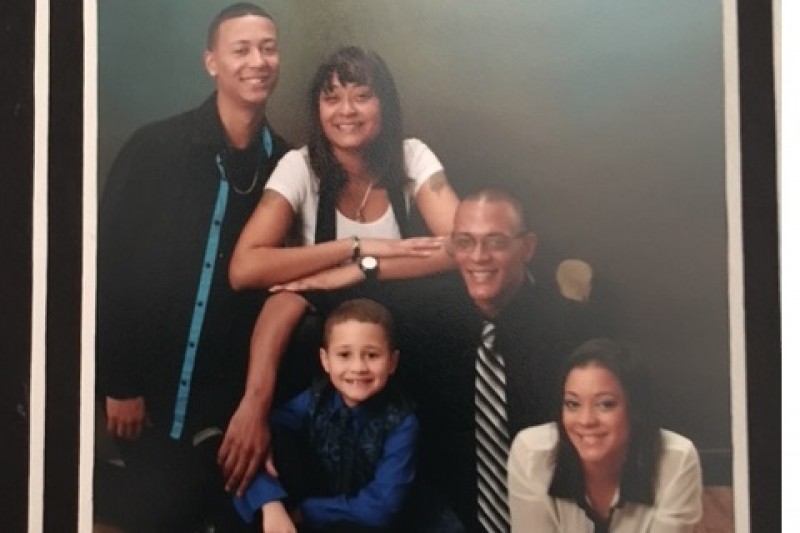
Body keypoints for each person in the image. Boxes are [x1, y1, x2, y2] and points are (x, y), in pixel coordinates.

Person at [219, 45, 460, 497]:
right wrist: (353, 247)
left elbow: (466, 246)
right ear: (317, 109)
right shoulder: (300, 167)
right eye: (331, 98)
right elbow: (245, 268)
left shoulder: (411, 157)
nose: (346, 110)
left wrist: (364, 270)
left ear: (384, 104)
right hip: (322, 366)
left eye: (362, 96)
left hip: (405, 356)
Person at [95, 4, 289, 531]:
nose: (258, 61)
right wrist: (118, 382)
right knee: (163, 513)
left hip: (223, 409)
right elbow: (107, 265)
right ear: (211, 62)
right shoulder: (154, 148)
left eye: (268, 48)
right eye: (241, 49)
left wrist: (253, 407)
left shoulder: (287, 167)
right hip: (144, 395)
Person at [401, 188, 598, 532]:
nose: (478, 257)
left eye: (495, 242)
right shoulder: (425, 326)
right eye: (465, 242)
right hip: (449, 517)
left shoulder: (570, 331)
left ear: (527, 247)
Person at [233, 298, 418, 533]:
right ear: (325, 360)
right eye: (344, 355)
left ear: (392, 362)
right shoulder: (315, 400)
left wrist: (305, 512)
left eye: (372, 356)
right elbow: (254, 441)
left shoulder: (402, 423)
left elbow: (381, 508)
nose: (358, 367)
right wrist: (270, 503)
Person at [507, 338, 703, 532]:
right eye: (573, 404)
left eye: (605, 404)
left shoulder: (676, 459)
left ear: (636, 410)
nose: (586, 420)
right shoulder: (531, 453)